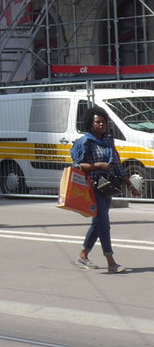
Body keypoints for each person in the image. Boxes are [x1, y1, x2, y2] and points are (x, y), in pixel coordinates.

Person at [71, 105, 135, 273]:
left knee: (97, 224)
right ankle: (111, 261)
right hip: (93, 186)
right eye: (98, 122)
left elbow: (117, 166)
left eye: (103, 122)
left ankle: (83, 255)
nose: (101, 125)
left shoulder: (108, 141)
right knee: (104, 224)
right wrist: (98, 165)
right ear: (90, 124)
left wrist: (130, 185)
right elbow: (77, 165)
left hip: (107, 186)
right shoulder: (86, 141)